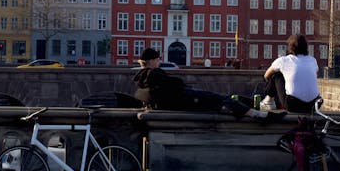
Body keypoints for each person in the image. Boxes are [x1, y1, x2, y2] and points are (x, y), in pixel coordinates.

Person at [133, 48, 286, 121]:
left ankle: (253, 111)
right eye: (157, 60)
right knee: (221, 99)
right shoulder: (153, 74)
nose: (159, 61)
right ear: (152, 61)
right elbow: (175, 84)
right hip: (184, 101)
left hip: (179, 100)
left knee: (221, 99)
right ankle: (259, 115)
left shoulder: (142, 77)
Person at [261, 34, 320, 113]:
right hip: (314, 105)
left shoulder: (284, 60)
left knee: (277, 74)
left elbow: (266, 75)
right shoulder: (313, 60)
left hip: (293, 105)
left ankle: (268, 101)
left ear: (290, 46)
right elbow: (314, 74)